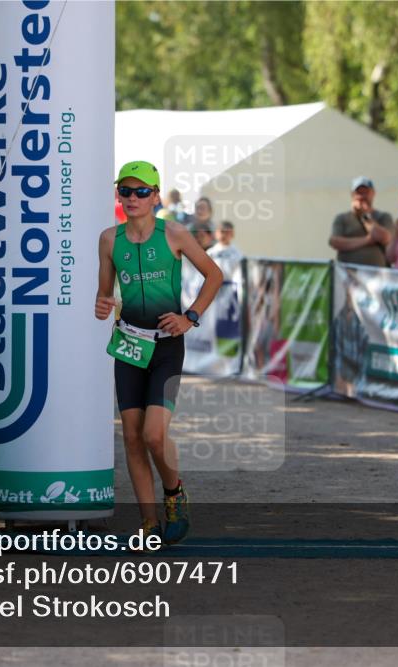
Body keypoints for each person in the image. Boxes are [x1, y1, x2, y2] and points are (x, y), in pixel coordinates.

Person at [94, 160, 223, 545]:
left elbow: (214, 275)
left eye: (140, 192)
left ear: (155, 196)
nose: (132, 198)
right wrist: (103, 305)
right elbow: (105, 294)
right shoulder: (108, 239)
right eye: (125, 191)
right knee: (132, 437)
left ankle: (174, 493)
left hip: (167, 347)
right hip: (129, 346)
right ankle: (149, 523)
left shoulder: (175, 234)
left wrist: (190, 317)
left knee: (153, 435)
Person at [328, 176, 394, 267]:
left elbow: (385, 238)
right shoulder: (342, 218)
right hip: (347, 275)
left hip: (377, 275)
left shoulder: (383, 217)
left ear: (373, 194)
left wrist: (364, 215)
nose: (362, 196)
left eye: (366, 192)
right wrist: (367, 240)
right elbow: (334, 242)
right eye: (359, 192)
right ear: (352, 195)